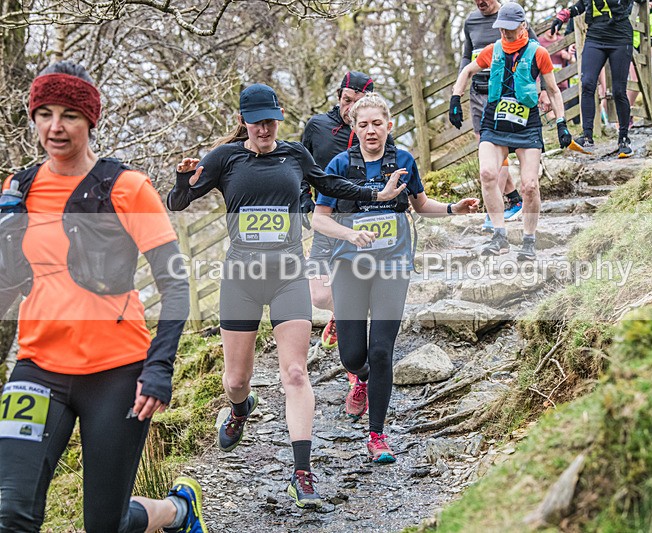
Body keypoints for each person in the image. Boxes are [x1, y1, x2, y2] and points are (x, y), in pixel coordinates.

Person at [166, 83, 405, 508]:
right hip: (241, 277)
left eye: (271, 119)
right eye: (257, 120)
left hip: (289, 275)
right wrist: (184, 177)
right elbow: (179, 201)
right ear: (243, 121)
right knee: (236, 381)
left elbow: (332, 184)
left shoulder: (295, 155)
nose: (265, 127)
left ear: (278, 117)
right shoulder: (225, 158)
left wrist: (375, 194)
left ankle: (303, 474)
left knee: (295, 374)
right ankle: (240, 410)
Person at [0, 61, 205, 533]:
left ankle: (176, 512)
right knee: (12, 513)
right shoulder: (18, 189)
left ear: (90, 120)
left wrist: (159, 367)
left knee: (104, 524)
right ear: (32, 117)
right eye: (45, 112)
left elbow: (174, 282)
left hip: (116, 374)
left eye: (69, 114)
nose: (55, 126)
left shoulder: (127, 187)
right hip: (36, 366)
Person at [312, 93, 479, 462]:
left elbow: (420, 205)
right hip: (349, 265)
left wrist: (453, 208)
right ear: (354, 129)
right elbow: (319, 218)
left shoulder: (403, 161)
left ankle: (377, 436)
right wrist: (349, 234)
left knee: (382, 349)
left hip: (392, 265)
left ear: (389, 126)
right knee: (353, 356)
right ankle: (361, 377)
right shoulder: (339, 165)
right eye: (363, 124)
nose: (371, 130)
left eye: (377, 123)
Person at [451, 1, 573, 259]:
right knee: (487, 173)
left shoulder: (537, 52)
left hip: (526, 124)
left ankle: (529, 240)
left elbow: (552, 90)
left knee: (530, 185)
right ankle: (500, 236)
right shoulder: (492, 50)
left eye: (510, 29)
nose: (505, 33)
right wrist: (455, 98)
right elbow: (468, 69)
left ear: (522, 26)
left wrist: (561, 123)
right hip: (494, 122)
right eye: (501, 29)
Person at [301, 71, 377, 352]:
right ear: (338, 97)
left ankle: (351, 332)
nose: (351, 109)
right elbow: (300, 166)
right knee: (319, 296)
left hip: (362, 223)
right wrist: (303, 200)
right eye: (347, 100)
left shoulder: (371, 130)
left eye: (358, 102)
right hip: (327, 220)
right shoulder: (317, 126)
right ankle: (345, 312)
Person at [457, 0, 529, 232]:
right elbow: (466, 58)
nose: (480, 2)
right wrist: (457, 93)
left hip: (505, 94)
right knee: (486, 149)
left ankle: (492, 213)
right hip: (477, 92)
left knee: (498, 149)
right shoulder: (471, 20)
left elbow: (534, 51)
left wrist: (542, 91)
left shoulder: (513, 16)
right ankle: (514, 199)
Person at [550, 0, 644, 156]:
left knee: (619, 91)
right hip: (595, 36)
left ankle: (623, 139)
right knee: (587, 83)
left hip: (620, 36)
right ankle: (587, 136)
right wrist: (564, 15)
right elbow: (582, 5)